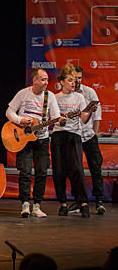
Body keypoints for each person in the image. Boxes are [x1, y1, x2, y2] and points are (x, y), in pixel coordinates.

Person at [6, 68, 61, 218]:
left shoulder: (49, 97)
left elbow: (56, 116)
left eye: (47, 80)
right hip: (24, 140)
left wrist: (60, 120)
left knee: (42, 171)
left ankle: (37, 205)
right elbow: (9, 112)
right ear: (34, 80)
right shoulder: (23, 94)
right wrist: (21, 120)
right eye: (43, 80)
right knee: (25, 172)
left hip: (41, 140)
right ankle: (25, 203)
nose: (46, 83)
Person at [52, 65, 96, 218]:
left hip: (74, 136)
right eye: (70, 80)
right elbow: (54, 120)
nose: (73, 83)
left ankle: (84, 203)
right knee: (59, 171)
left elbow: (84, 119)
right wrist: (60, 121)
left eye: (74, 80)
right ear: (62, 81)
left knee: (77, 169)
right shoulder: (54, 97)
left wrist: (89, 111)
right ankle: (63, 204)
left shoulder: (80, 97)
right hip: (58, 136)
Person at [69, 65, 106, 215]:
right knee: (75, 170)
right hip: (74, 136)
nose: (77, 81)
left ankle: (99, 201)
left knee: (95, 167)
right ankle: (78, 201)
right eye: (74, 78)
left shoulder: (89, 92)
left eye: (79, 78)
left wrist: (95, 133)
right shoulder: (67, 94)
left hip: (89, 136)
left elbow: (97, 116)